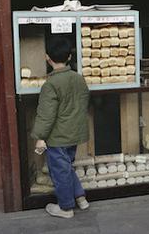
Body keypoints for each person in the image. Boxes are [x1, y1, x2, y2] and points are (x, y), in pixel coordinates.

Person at [31, 36, 90, 218]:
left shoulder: (51, 84)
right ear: (70, 57)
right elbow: (83, 103)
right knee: (67, 167)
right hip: (75, 133)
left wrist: (40, 137)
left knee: (60, 171)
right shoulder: (79, 79)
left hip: (57, 137)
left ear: (47, 58)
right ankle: (80, 197)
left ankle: (65, 208)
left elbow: (46, 115)